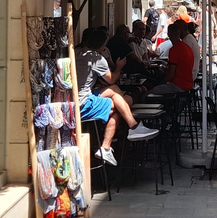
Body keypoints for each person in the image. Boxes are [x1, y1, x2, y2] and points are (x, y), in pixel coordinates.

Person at [76, 29, 158, 165]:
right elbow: (112, 79)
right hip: (83, 102)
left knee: (114, 92)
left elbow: (111, 86)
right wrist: (119, 67)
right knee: (121, 106)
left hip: (73, 98)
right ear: (103, 46)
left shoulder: (78, 53)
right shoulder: (97, 58)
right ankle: (110, 143)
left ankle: (130, 127)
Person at [149, 24, 194, 94]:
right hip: (188, 84)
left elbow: (170, 74)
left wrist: (160, 84)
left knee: (149, 94)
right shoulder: (187, 47)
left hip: (177, 85)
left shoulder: (174, 49)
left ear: (168, 34)